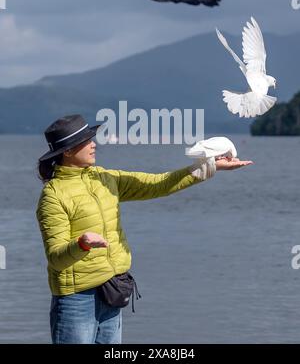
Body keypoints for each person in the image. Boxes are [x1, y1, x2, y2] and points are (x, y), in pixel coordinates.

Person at [36, 114, 252, 344]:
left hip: (113, 290)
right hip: (76, 300)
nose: (93, 144)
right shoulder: (53, 196)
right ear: (67, 151)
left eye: (92, 138)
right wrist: (81, 244)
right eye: (86, 140)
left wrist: (210, 166)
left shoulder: (106, 179)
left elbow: (158, 184)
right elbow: (56, 258)